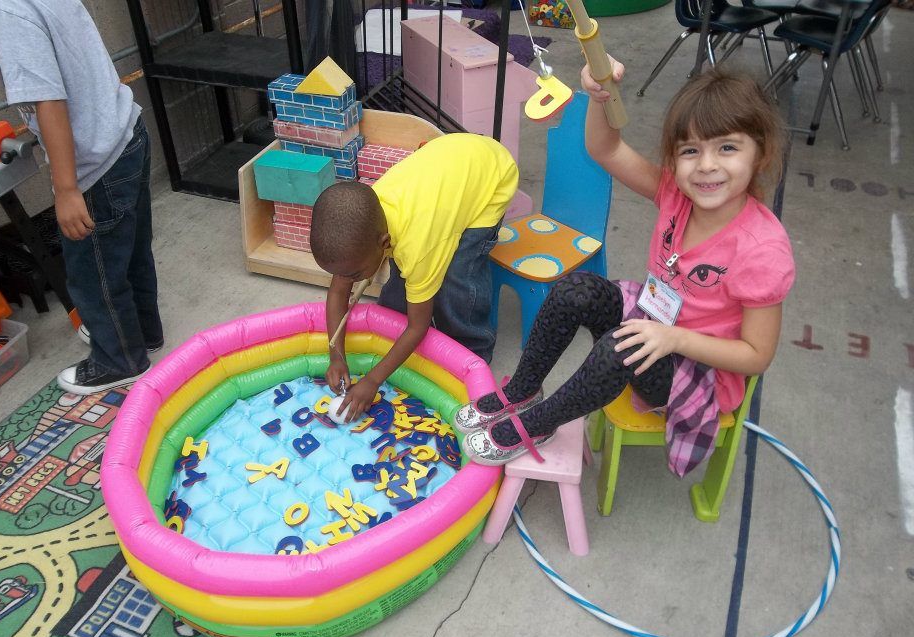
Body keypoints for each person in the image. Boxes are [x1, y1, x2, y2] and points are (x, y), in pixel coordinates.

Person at [457, 59, 795, 475]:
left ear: (760, 151)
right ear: (674, 158)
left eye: (727, 147)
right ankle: (523, 392)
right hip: (654, 318)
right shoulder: (677, 193)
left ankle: (537, 425)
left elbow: (756, 356)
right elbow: (606, 149)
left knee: (618, 349)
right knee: (576, 289)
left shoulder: (762, 250)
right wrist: (600, 96)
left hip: (697, 365)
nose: (706, 165)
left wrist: (673, 340)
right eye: (691, 151)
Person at [0, 0, 163, 395]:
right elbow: (33, 56)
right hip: (125, 133)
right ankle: (143, 333)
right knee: (131, 254)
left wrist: (66, 189)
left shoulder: (3, 7)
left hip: (94, 166)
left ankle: (120, 359)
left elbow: (49, 99)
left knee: (92, 274)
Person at [310, 133, 519, 421]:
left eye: (354, 274)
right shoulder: (364, 226)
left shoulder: (417, 248)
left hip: (491, 177)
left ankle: (475, 353)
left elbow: (417, 327)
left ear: (384, 243)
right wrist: (337, 355)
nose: (346, 279)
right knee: (410, 281)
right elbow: (338, 292)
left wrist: (372, 380)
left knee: (458, 274)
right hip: (450, 162)